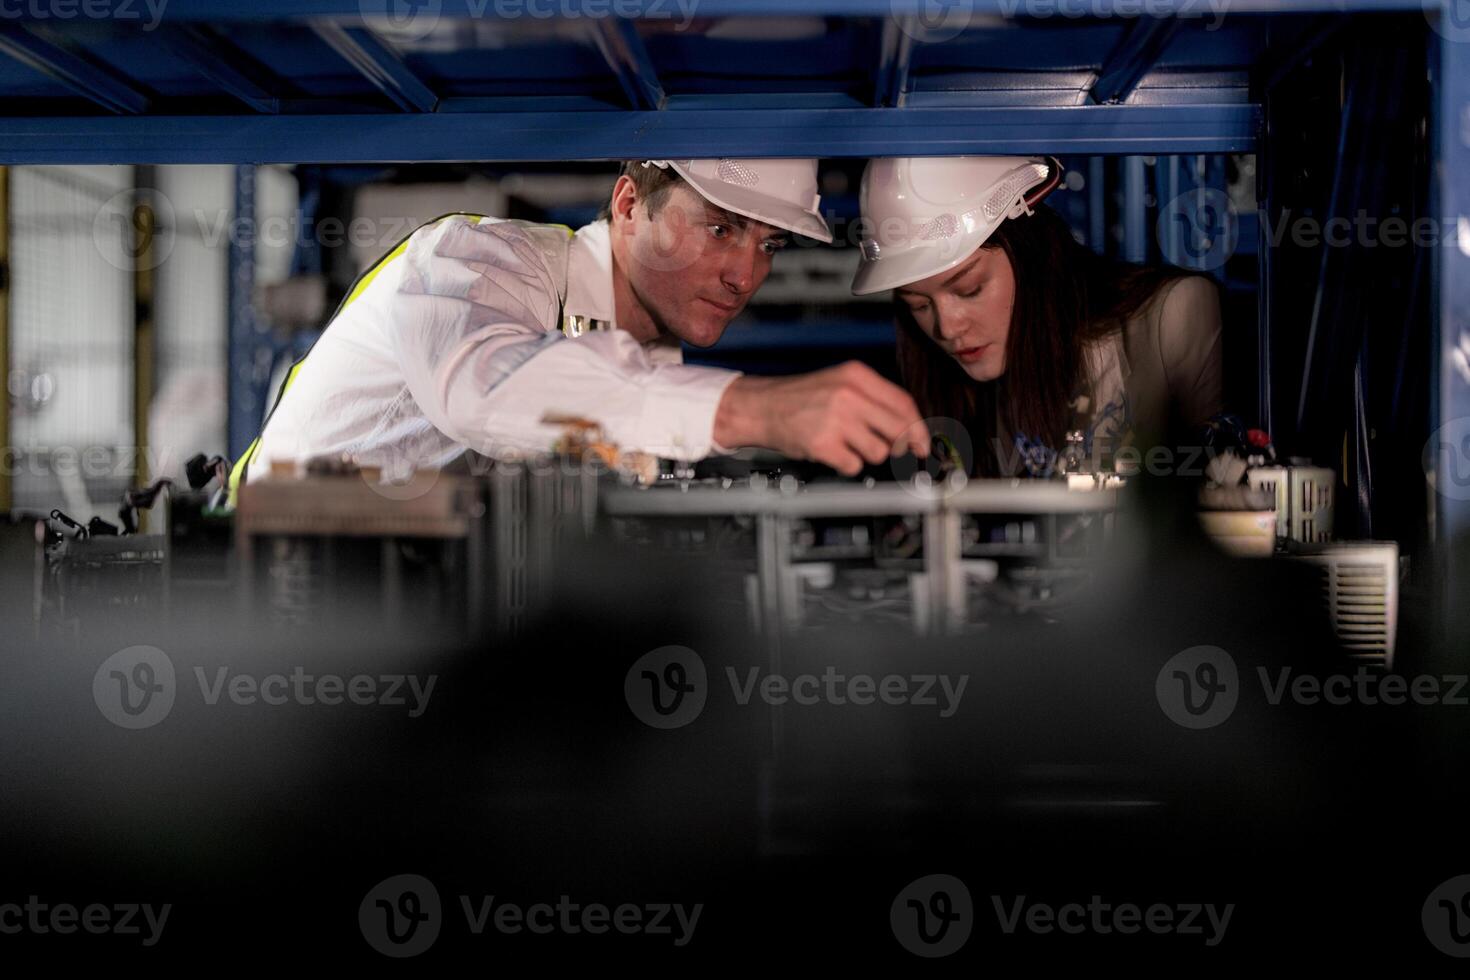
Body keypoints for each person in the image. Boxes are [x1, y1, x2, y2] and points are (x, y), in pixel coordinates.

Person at [230, 158, 928, 501]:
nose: (744, 276)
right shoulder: (473, 259)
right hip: (267, 606)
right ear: (629, 203)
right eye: (720, 229)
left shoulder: (647, 355)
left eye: (770, 246)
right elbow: (485, 393)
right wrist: (756, 408)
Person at [851, 155, 1223, 478]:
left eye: (971, 289)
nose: (947, 328)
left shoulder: (1174, 317)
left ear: (1031, 254)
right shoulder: (954, 389)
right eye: (918, 305)